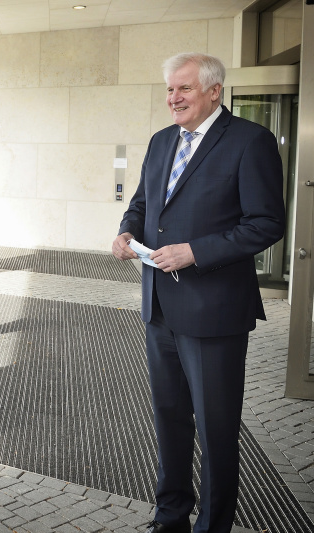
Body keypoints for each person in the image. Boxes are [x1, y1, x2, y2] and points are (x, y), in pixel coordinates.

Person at [112, 53, 285, 533]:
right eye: (170, 89)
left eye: (184, 88)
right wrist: (126, 231)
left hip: (214, 312)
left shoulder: (250, 141)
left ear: (214, 91)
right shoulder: (161, 140)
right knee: (169, 419)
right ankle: (170, 519)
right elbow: (142, 204)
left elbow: (267, 223)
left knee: (215, 430)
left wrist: (195, 252)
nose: (174, 98)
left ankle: (213, 525)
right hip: (159, 308)